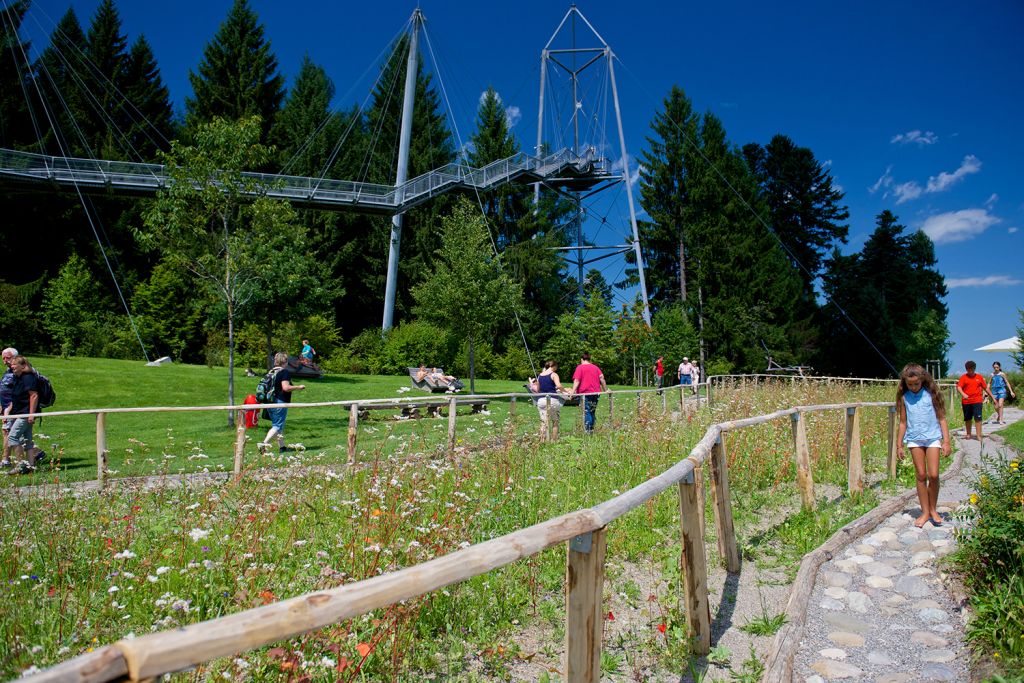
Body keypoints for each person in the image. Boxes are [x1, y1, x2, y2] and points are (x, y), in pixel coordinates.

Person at [895, 363, 951, 528]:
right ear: (905, 383)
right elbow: (903, 422)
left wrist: (946, 442)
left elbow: (942, 419)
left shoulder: (931, 395)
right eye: (910, 384)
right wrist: (899, 445)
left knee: (933, 475)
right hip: (914, 439)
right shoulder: (905, 398)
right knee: (921, 474)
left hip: (933, 438)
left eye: (916, 384)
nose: (913, 387)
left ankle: (933, 508)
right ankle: (925, 511)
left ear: (923, 380)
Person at [257, 352, 306, 455]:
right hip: (280, 402)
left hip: (269, 401)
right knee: (277, 426)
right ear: (285, 361)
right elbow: (286, 387)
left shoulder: (271, 371)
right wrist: (298, 387)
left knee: (278, 425)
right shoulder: (284, 372)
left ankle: (282, 447)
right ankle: (264, 444)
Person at [5, 355, 39, 474]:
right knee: (27, 440)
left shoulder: (28, 378)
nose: (12, 366)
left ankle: (21, 466)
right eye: (12, 364)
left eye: (15, 364)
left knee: (13, 437)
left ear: (23, 366)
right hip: (19, 412)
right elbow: (16, 396)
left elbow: (33, 395)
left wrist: (31, 414)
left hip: (25, 413)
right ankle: (30, 467)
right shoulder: (16, 377)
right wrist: (8, 410)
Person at [957, 360, 996, 442]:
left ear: (974, 368)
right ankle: (968, 434)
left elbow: (986, 388)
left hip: (977, 400)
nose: (970, 371)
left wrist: (993, 397)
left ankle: (978, 435)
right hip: (966, 401)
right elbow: (959, 387)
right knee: (967, 418)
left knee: (978, 418)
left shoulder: (979, 377)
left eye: (971, 369)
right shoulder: (963, 377)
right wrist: (963, 394)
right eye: (968, 369)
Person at [571, 352, 608, 433]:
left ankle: (588, 431)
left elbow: (577, 380)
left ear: (582, 359)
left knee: (587, 412)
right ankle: (591, 429)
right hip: (596, 393)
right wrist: (606, 390)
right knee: (592, 411)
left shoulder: (580, 367)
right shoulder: (596, 367)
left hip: (585, 393)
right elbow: (602, 378)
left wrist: (572, 392)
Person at [535, 361, 569, 441]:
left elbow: (537, 389)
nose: (556, 369)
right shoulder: (554, 374)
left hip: (541, 400)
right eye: (556, 367)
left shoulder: (540, 375)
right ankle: (554, 441)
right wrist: (565, 391)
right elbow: (559, 385)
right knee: (555, 422)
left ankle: (542, 441)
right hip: (552, 400)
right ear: (553, 366)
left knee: (543, 422)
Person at [1, 347, 18, 467]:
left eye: (8, 358)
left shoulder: (18, 372)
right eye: (3, 358)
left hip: (13, 410)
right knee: (15, 435)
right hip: (5, 408)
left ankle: (5, 460)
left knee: (7, 432)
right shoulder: (8, 372)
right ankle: (36, 453)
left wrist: (8, 409)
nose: (5, 360)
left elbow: (19, 393)